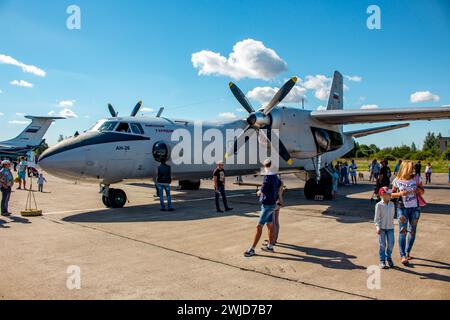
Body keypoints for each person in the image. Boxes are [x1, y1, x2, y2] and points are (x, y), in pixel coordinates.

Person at [244, 159, 281, 257]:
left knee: (259, 226)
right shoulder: (275, 176)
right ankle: (270, 246)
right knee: (270, 225)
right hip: (272, 203)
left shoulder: (268, 177)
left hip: (267, 205)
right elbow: (280, 184)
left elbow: (263, 189)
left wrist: (259, 192)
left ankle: (252, 249)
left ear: (266, 166)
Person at [391, 161, 424, 265]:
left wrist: (418, 189)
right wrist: (400, 193)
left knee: (412, 231)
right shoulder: (397, 180)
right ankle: (403, 256)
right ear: (406, 168)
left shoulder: (417, 178)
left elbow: (422, 191)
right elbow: (391, 194)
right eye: (411, 168)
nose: (413, 170)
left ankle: (407, 252)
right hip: (402, 207)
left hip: (415, 208)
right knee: (403, 231)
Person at [374, 187, 396, 269]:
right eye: (388, 194)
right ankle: (382, 260)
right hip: (382, 228)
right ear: (382, 195)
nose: (390, 195)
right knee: (382, 245)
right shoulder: (379, 205)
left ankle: (388, 257)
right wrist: (377, 227)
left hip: (390, 228)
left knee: (391, 243)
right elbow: (376, 218)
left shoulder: (392, 204)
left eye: (390, 194)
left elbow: (393, 216)